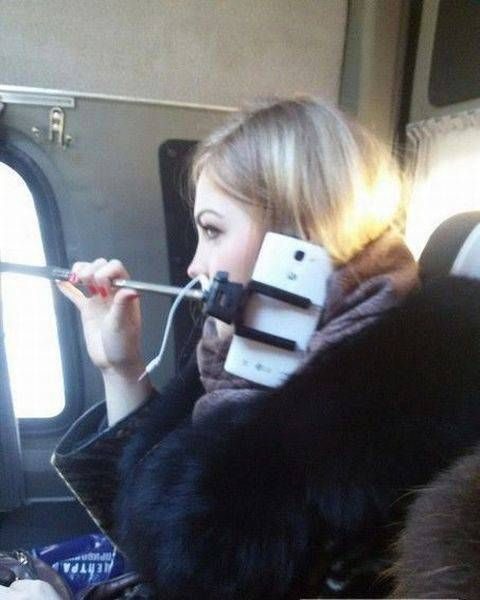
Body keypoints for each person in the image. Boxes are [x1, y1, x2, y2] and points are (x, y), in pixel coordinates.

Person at [10, 96, 480, 599]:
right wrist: (120, 367)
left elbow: (186, 563)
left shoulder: (396, 424)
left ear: (300, 236)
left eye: (212, 230)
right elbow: (142, 526)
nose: (194, 266)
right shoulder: (244, 354)